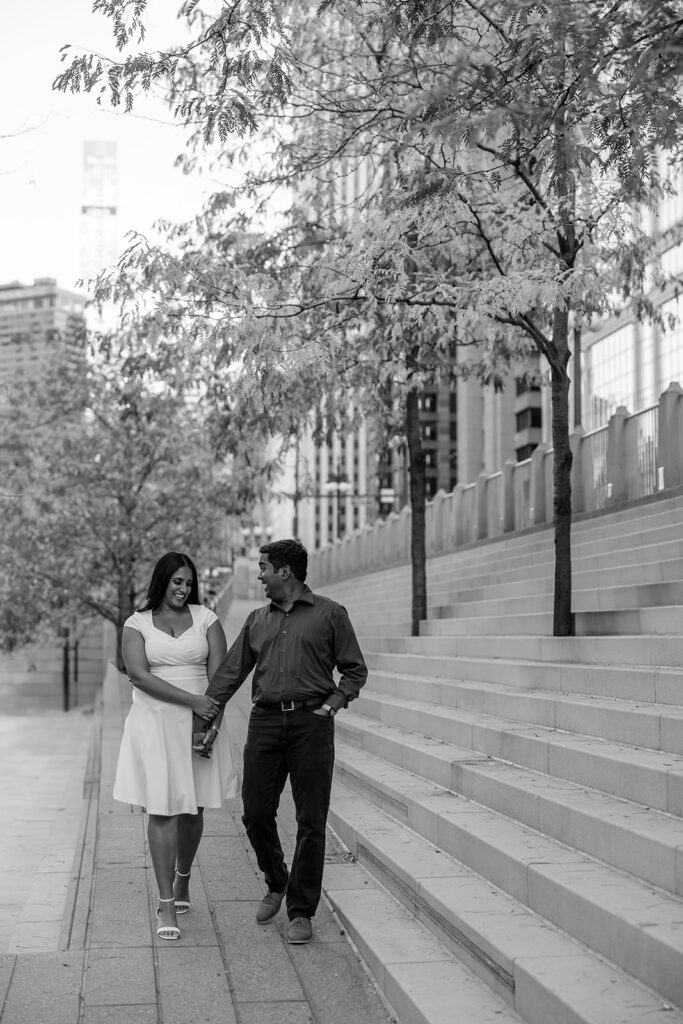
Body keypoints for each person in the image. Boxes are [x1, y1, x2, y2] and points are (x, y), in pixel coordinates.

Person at [198, 537, 367, 945]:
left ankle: (301, 911)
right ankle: (277, 878)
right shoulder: (257, 619)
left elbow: (354, 670)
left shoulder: (330, 614)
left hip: (312, 724)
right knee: (255, 812)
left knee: (311, 820)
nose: (259, 574)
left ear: (284, 572)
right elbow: (229, 675)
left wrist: (333, 704)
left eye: (264, 567)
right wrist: (201, 716)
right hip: (265, 723)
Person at [112, 551, 240, 941]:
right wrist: (193, 702)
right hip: (155, 724)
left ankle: (183, 878)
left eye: (188, 583)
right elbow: (138, 675)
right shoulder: (136, 623)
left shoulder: (207, 620)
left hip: (201, 723)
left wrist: (212, 726)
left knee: (193, 807)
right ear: (162, 582)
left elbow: (220, 679)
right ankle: (167, 904)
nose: (183, 589)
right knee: (163, 809)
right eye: (176, 582)